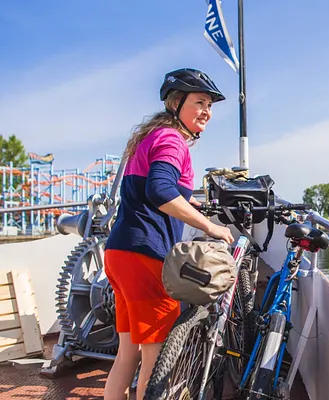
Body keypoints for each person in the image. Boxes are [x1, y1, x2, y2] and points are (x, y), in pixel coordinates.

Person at [103, 68, 234, 400]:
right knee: (156, 359)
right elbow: (160, 190)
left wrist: (192, 202)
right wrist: (210, 226)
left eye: (210, 105)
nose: (207, 111)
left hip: (119, 252)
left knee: (128, 353)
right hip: (145, 255)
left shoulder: (152, 137)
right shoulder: (173, 140)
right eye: (200, 102)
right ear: (177, 103)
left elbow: (156, 186)